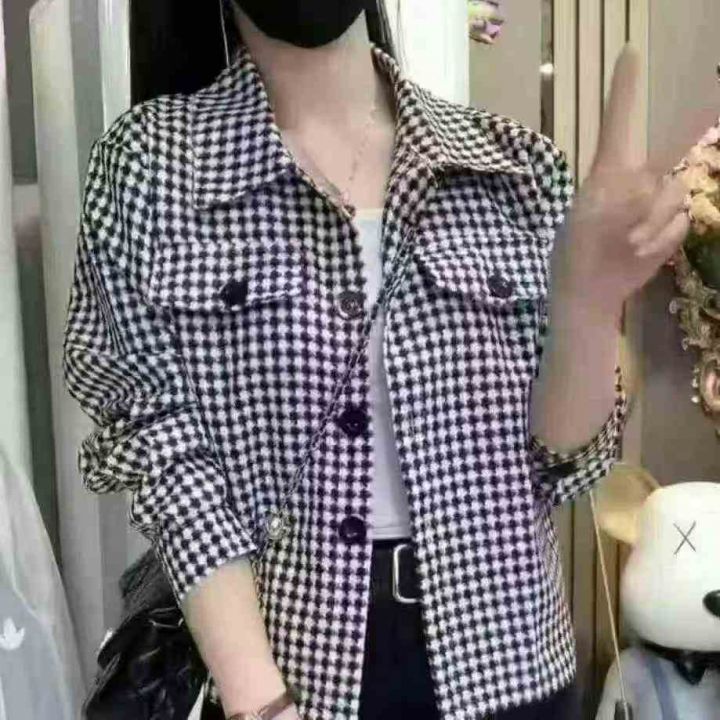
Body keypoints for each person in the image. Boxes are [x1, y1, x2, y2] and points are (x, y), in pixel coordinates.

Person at [61, 1, 690, 718]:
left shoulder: (512, 165)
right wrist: (258, 698)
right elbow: (160, 446)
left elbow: (557, 462)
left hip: (511, 660)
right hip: (296, 670)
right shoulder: (152, 165)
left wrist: (587, 302)